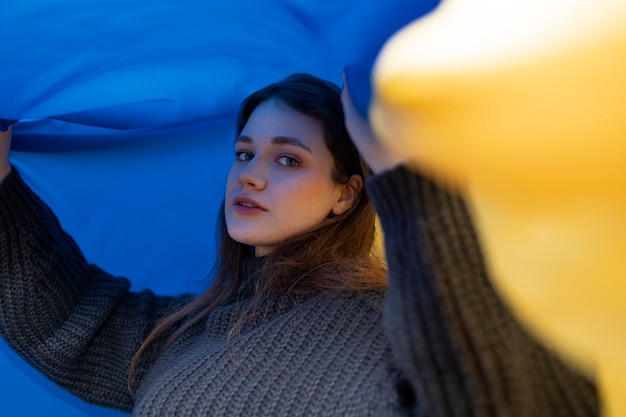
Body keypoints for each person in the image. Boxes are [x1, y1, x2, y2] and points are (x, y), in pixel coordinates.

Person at [0, 73, 597, 417]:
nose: (251, 175)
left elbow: (522, 396)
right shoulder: (197, 329)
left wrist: (417, 192)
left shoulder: (396, 321)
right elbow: (70, 320)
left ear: (347, 193)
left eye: (288, 157)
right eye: (244, 153)